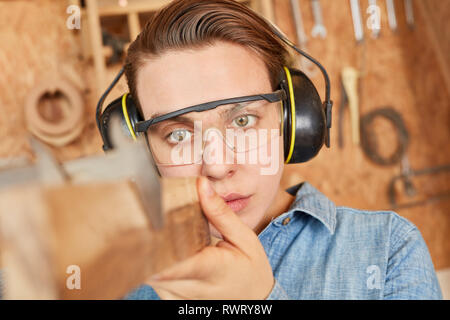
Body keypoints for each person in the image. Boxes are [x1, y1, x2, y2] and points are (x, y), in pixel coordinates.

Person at [118, 0, 442, 299]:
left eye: (243, 120)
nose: (217, 166)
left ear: (292, 121)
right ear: (144, 154)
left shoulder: (388, 250)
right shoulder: (129, 285)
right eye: (177, 135)